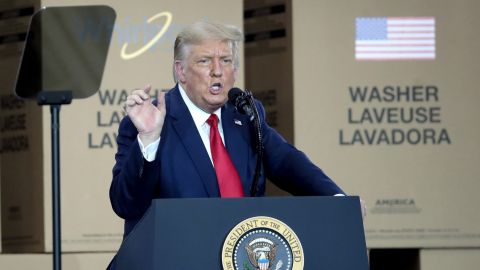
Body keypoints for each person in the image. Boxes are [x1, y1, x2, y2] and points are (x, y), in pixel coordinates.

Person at [108, 20, 358, 269]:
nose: (217, 71)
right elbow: (125, 203)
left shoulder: (246, 115)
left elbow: (288, 162)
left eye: (226, 61)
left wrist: (337, 202)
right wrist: (149, 139)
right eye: (205, 61)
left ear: (235, 70)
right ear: (181, 71)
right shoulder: (150, 121)